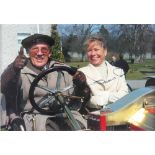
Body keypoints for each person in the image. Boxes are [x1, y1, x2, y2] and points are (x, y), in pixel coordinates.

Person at [1, 34, 90, 130]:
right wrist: (13, 69)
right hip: (36, 116)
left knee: (82, 126)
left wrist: (82, 84)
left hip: (65, 112)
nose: (39, 53)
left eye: (44, 49)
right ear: (28, 53)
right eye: (35, 49)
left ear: (50, 53)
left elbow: (82, 97)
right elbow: (5, 86)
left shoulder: (63, 70)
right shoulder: (19, 71)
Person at [78, 36, 129, 110]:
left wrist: (104, 97)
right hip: (93, 117)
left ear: (105, 51)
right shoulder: (81, 73)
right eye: (89, 50)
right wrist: (113, 96)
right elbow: (86, 101)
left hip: (120, 113)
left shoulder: (118, 72)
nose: (93, 53)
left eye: (96, 49)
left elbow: (125, 95)